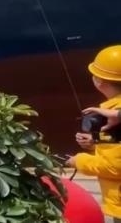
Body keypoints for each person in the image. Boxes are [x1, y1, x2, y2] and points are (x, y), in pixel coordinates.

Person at [68, 44, 121, 222]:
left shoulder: (113, 115)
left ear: (99, 82)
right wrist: (96, 141)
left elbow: (115, 167)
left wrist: (79, 161)